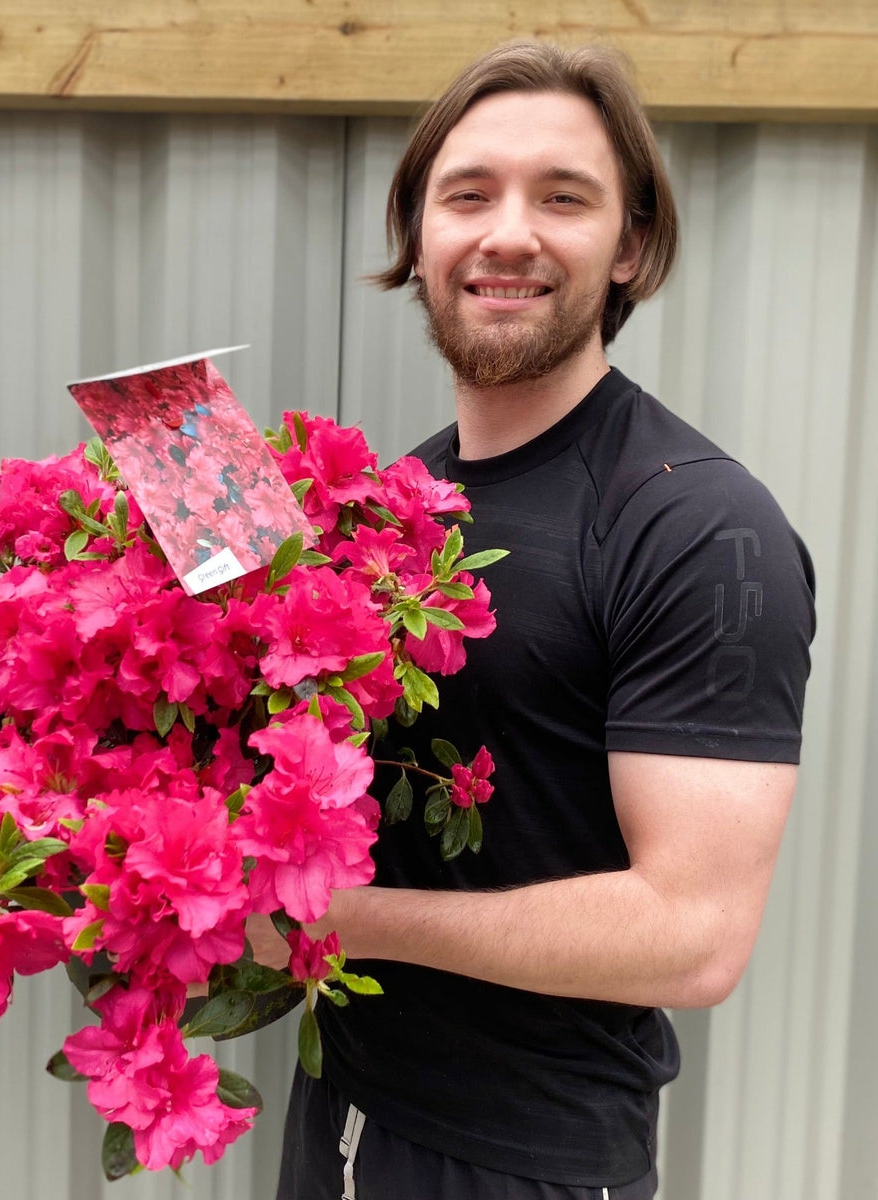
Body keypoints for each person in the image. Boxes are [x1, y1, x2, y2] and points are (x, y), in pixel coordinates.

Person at [257, 41, 816, 1200]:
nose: (507, 233)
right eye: (468, 194)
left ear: (635, 247)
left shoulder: (697, 526)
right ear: (420, 237)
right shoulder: (392, 508)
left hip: (528, 1165)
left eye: (564, 197)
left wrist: (336, 920)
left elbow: (693, 934)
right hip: (345, 1118)